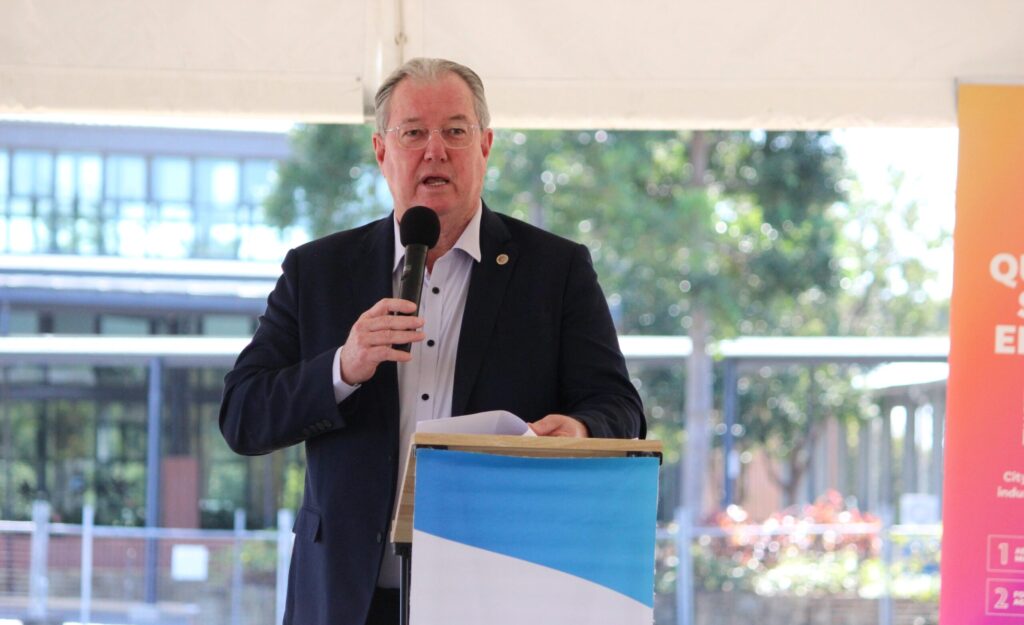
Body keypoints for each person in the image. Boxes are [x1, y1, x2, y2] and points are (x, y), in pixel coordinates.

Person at [219, 58, 644, 625]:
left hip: (496, 594)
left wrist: (581, 429)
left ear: (486, 146)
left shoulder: (555, 270)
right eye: (414, 132)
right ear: (381, 150)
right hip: (346, 598)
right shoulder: (318, 271)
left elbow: (620, 407)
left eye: (456, 131)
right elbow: (242, 416)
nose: (435, 150)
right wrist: (344, 367)